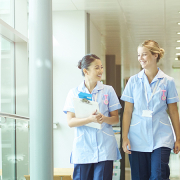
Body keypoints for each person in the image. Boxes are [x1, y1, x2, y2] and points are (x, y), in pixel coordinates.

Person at [121, 40, 180, 180]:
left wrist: (178, 138)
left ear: (155, 55)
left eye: (144, 54)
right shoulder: (133, 81)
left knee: (158, 175)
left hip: (161, 136)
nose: (140, 58)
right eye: (138, 55)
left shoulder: (168, 81)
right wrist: (124, 137)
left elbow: (173, 111)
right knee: (139, 177)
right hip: (137, 137)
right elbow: (127, 111)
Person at [63, 54, 121, 180]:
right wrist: (89, 119)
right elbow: (70, 122)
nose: (100, 71)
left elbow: (115, 119)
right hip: (83, 148)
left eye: (101, 67)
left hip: (104, 147)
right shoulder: (74, 93)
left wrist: (103, 118)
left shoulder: (108, 90)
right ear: (86, 71)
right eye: (97, 68)